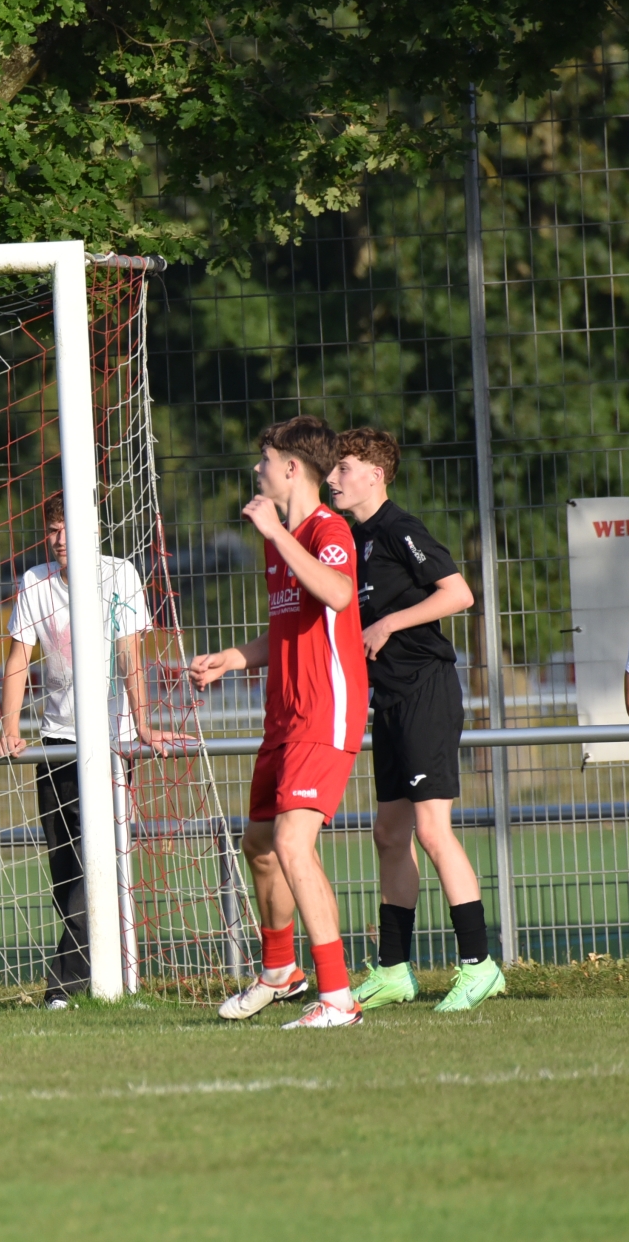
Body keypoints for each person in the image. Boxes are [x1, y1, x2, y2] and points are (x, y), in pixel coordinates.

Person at [189, 415, 369, 1029]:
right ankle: (279, 971)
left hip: (325, 709)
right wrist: (234, 658)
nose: (256, 469)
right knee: (260, 846)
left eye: (265, 460)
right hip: (284, 715)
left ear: (292, 468)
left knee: (293, 844)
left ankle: (338, 997)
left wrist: (277, 532)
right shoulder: (281, 539)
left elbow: (338, 593)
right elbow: (290, 627)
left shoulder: (328, 529)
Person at [329, 428, 503, 1012]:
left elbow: (458, 595)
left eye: (343, 468)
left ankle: (479, 965)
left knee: (432, 830)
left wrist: (388, 623)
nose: (333, 479)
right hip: (389, 700)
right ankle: (393, 971)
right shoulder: (353, 540)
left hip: (427, 691)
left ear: (374, 474)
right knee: (388, 833)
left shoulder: (400, 528)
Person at [0, 494, 189, 1009]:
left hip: (108, 742)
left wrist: (141, 724)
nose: (59, 540)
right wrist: (10, 727)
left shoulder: (120, 574)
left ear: (92, 531)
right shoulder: (35, 582)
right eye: (52, 530)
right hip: (57, 741)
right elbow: (18, 658)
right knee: (65, 867)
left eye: (68, 529)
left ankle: (66, 985)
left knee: (98, 859)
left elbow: (130, 655)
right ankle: (86, 976)